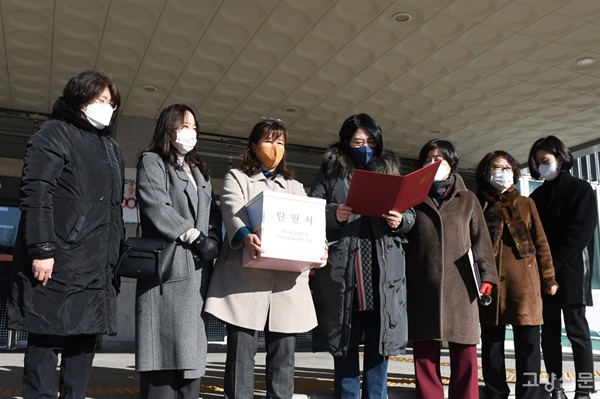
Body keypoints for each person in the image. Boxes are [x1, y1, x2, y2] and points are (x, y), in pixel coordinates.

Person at [7, 70, 124, 398]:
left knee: (83, 344)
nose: (106, 107)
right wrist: (42, 248)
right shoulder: (54, 133)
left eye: (111, 102)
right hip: (57, 260)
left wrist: (113, 259)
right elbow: (36, 192)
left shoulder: (111, 148)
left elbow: (113, 211)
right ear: (78, 98)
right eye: (99, 100)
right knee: (45, 341)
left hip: (96, 265)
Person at [204, 118, 327, 399]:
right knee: (240, 357)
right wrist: (246, 235)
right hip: (244, 284)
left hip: (286, 286)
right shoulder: (238, 177)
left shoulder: (295, 186)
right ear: (254, 145)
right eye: (269, 141)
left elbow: (310, 224)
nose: (275, 147)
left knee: (283, 359)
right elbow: (233, 210)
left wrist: (320, 247)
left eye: (281, 142)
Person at [308, 113, 415, 399]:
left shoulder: (390, 170)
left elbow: (411, 214)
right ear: (346, 142)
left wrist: (400, 220)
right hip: (345, 270)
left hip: (382, 270)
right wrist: (334, 214)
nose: (364, 146)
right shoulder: (331, 171)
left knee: (380, 342)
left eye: (369, 141)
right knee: (345, 340)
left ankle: (376, 396)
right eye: (357, 141)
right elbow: (311, 210)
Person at [134, 104, 222, 398]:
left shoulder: (199, 170)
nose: (191, 132)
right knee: (162, 360)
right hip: (168, 271)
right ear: (169, 127)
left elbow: (210, 212)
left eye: (194, 127)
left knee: (190, 363)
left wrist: (212, 235)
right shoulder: (152, 161)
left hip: (197, 275)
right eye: (185, 126)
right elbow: (157, 206)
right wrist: (196, 238)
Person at [405, 139, 498, 399]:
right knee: (424, 357)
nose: (434, 164)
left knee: (465, 355)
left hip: (463, 287)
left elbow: (482, 241)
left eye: (440, 160)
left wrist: (487, 277)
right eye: (429, 159)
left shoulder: (468, 199)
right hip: (423, 284)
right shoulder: (413, 197)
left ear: (451, 165)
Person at [475, 150, 558, 399]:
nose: (501, 172)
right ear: (485, 172)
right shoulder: (478, 203)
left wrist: (549, 278)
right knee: (492, 348)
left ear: (514, 172)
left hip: (525, 285)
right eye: (495, 168)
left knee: (529, 347)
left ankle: (529, 396)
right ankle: (495, 394)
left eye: (507, 168)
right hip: (490, 285)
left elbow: (541, 243)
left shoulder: (526, 203)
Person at [528, 136, 597, 399]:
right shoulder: (536, 195)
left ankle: (584, 390)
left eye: (545, 160)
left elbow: (578, 235)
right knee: (549, 335)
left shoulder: (581, 190)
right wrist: (543, 271)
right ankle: (555, 387)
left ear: (561, 158)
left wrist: (549, 266)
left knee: (577, 331)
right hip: (544, 275)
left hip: (573, 271)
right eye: (537, 163)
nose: (542, 166)